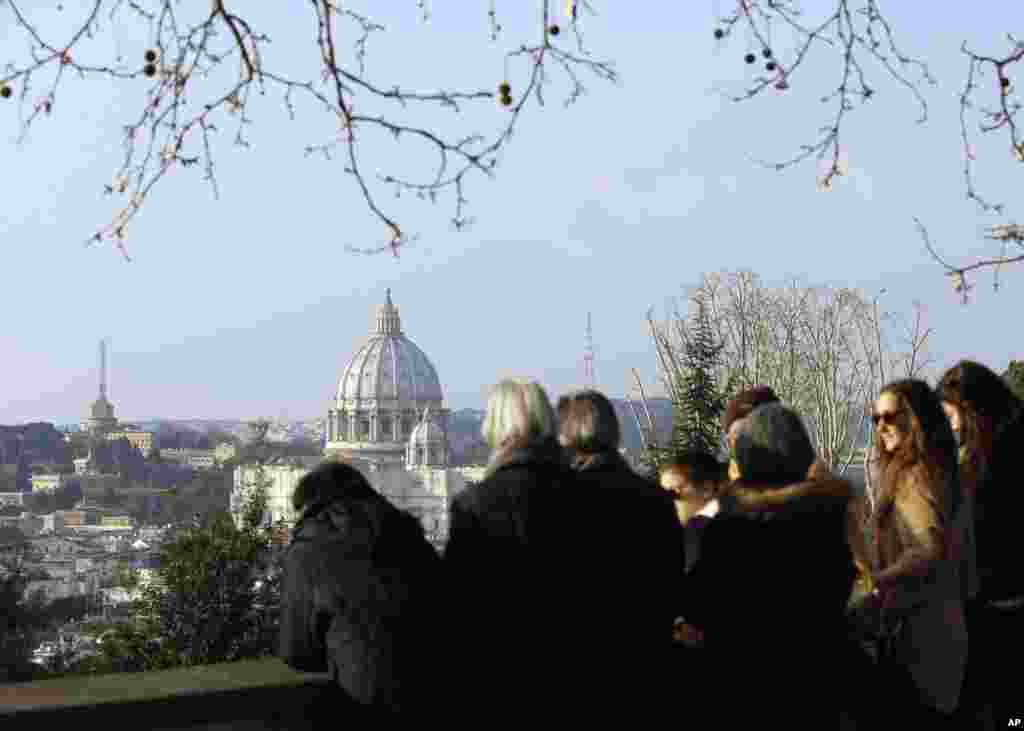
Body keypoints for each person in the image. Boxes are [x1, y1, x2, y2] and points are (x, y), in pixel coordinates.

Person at [682, 403, 856, 728]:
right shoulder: (828, 522)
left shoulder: (726, 530)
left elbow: (699, 607)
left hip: (742, 689)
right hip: (817, 688)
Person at [443, 378, 582, 720]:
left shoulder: (473, 505)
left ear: (495, 429)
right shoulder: (590, 496)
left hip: (499, 686)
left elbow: (456, 611)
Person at [278, 461, 443, 716]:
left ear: (309, 505)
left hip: (364, 702)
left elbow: (297, 652)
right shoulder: (408, 533)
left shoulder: (308, 550)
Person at [556, 390, 684, 710]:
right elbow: (671, 582)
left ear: (569, 438)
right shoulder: (656, 500)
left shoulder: (560, 501)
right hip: (645, 667)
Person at [860, 379, 967, 726]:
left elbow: (926, 548)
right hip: (941, 628)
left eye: (889, 416)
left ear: (916, 419)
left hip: (922, 638)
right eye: (875, 418)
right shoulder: (941, 470)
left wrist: (875, 580)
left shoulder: (913, 477)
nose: (881, 426)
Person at [938, 361, 1024, 729]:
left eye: (952, 418)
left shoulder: (998, 458)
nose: (952, 429)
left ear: (972, 411)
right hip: (989, 608)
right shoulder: (986, 451)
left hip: (1001, 611)